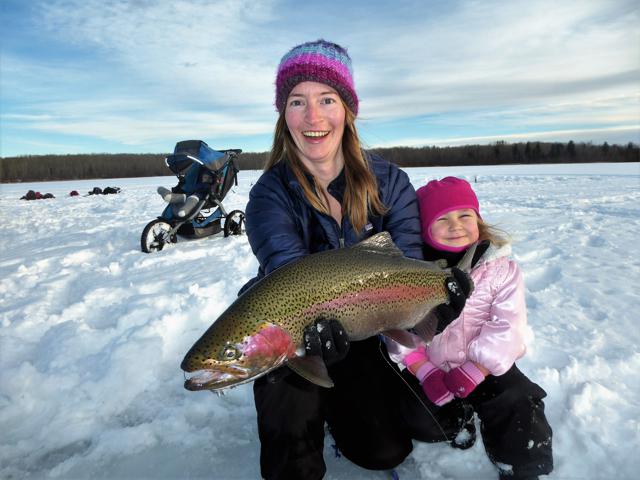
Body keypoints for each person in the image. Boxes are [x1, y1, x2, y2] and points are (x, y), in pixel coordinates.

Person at [241, 40, 472, 480]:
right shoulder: (269, 195)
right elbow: (286, 272)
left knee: (383, 451)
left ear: (347, 109)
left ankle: (342, 405)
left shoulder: (390, 181)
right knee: (288, 405)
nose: (313, 117)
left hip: (366, 332)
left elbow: (406, 267)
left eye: (326, 99)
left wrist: (437, 306)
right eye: (297, 102)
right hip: (291, 325)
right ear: (283, 114)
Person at [392, 176, 554, 480]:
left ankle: (522, 467)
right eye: (443, 219)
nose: (456, 225)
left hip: (488, 369)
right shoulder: (409, 274)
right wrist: (424, 371)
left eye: (465, 215)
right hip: (432, 370)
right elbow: (396, 330)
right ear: (423, 229)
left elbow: (508, 327)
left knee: (517, 401)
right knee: (418, 418)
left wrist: (476, 369)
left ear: (478, 220)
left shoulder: (501, 270)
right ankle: (457, 418)